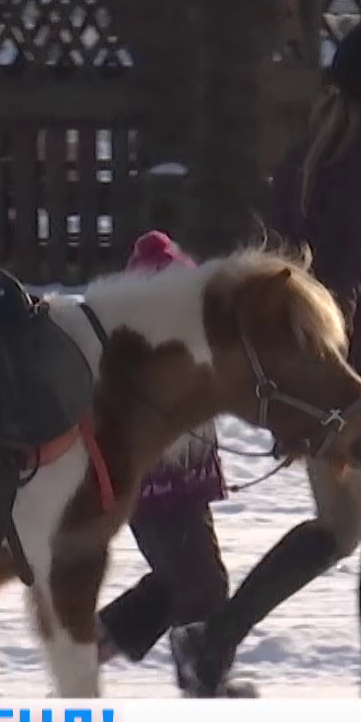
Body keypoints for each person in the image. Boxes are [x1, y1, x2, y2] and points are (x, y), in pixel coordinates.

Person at [169, 15, 361, 699]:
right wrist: (336, 390)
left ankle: (213, 641)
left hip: (312, 376)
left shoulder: (307, 160)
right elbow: (338, 288)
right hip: (358, 380)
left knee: (341, 524)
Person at [95, 230, 256, 698]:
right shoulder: (137, 352)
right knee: (201, 585)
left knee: (179, 582)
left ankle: (86, 653)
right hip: (154, 488)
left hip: (180, 485)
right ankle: (201, 685)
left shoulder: (188, 342)